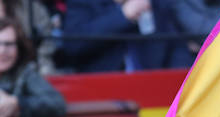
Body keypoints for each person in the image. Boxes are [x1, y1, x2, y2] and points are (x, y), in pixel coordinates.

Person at [59, 0, 193, 72]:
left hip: (153, 88)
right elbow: (73, 45)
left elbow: (177, 45)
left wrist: (175, 83)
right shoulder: (84, 3)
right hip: (103, 90)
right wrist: (122, 16)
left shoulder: (157, 3)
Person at [0, 15, 65, 117]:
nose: (2, 51)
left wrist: (17, 103)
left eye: (9, 44)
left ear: (19, 48)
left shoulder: (25, 74)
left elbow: (57, 104)